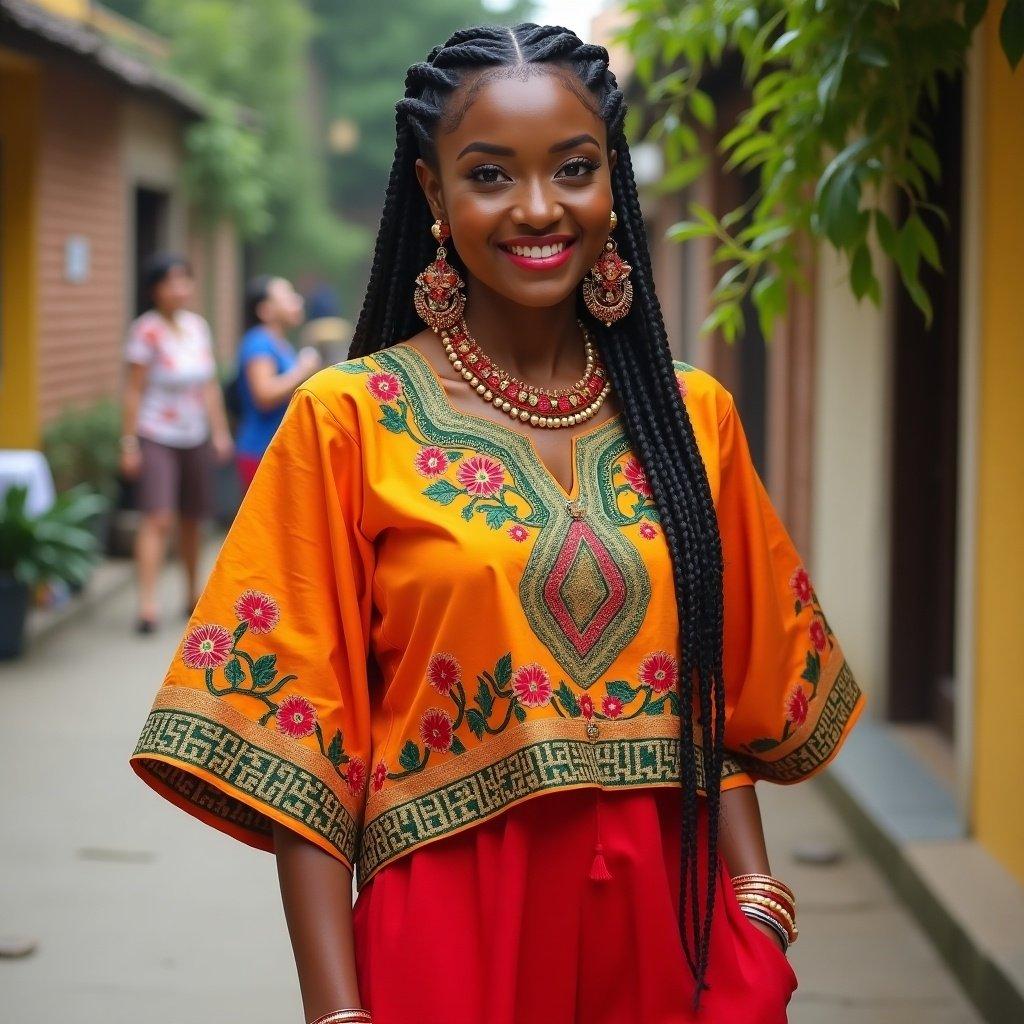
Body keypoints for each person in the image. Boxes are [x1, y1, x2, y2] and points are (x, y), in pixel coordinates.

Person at [130, 24, 866, 1024]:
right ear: (434, 195)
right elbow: (303, 746)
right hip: (448, 939)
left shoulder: (693, 417)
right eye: (489, 174)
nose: (536, 208)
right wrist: (338, 1012)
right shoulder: (348, 420)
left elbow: (726, 693)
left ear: (614, 181)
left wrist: (757, 914)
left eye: (573, 168)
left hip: (674, 937)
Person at [120, 253, 232, 634]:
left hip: (195, 434)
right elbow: (133, 391)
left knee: (193, 518)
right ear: (154, 289)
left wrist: (219, 432)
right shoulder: (145, 330)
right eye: (170, 282)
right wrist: (129, 442)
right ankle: (147, 604)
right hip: (156, 435)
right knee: (158, 516)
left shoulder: (198, 327)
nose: (179, 289)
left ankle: (190, 594)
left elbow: (209, 384)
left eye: (185, 280)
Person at [234, 275, 322, 490]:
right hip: (261, 450)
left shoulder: (279, 343)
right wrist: (303, 369)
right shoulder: (259, 342)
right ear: (265, 310)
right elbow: (264, 394)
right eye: (287, 297)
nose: (297, 300)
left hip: (276, 449)